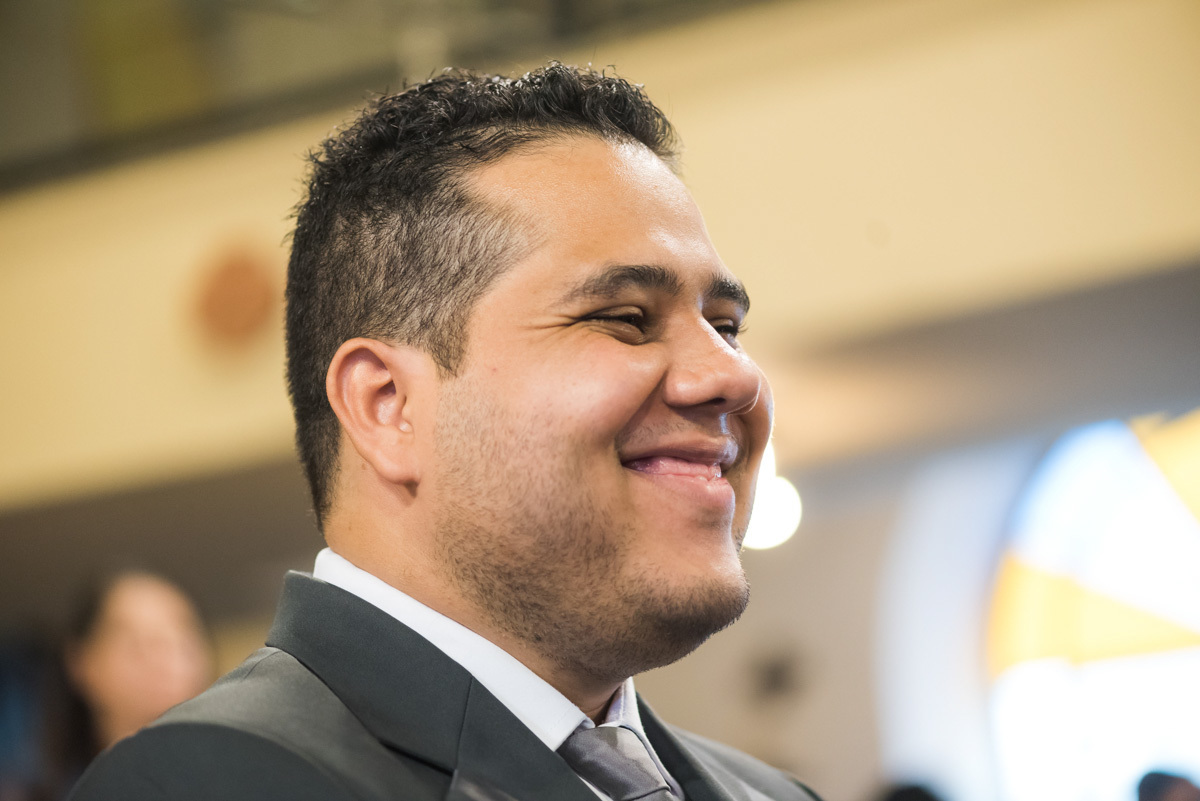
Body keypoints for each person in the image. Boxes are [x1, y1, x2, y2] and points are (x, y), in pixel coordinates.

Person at [68, 63, 818, 801]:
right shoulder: (204, 783)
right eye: (625, 318)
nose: (734, 376)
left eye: (726, 326)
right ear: (388, 405)